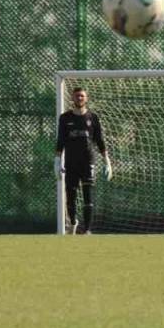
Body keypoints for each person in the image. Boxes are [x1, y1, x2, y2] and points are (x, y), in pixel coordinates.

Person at [55, 87, 111, 235]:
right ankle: (73, 223)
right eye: (76, 96)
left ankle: (87, 230)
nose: (79, 98)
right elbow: (61, 140)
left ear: (86, 98)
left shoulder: (93, 117)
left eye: (82, 96)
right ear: (72, 98)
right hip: (71, 163)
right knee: (71, 197)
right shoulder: (65, 118)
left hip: (88, 162)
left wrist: (107, 161)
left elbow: (99, 140)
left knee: (88, 197)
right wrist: (56, 160)